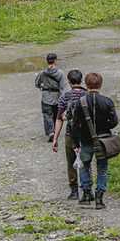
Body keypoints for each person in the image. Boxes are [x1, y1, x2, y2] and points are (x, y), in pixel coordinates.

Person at [68, 72, 118, 209]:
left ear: (86, 85)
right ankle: (99, 197)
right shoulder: (107, 101)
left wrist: (75, 143)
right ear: (101, 85)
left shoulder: (80, 102)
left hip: (85, 141)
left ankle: (85, 194)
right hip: (103, 141)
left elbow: (75, 124)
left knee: (84, 167)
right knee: (102, 168)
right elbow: (114, 122)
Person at [52, 69, 89, 199]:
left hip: (70, 133)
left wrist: (55, 138)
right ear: (81, 80)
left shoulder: (64, 97)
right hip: (86, 133)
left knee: (70, 161)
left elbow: (59, 118)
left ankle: (74, 190)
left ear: (68, 81)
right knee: (87, 161)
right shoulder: (87, 94)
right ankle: (87, 189)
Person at [34, 53, 65, 141]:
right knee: (56, 114)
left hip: (46, 96)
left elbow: (37, 83)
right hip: (57, 97)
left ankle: (50, 132)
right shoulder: (60, 73)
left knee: (47, 114)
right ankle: (55, 130)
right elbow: (63, 87)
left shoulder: (43, 73)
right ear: (55, 61)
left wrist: (42, 87)